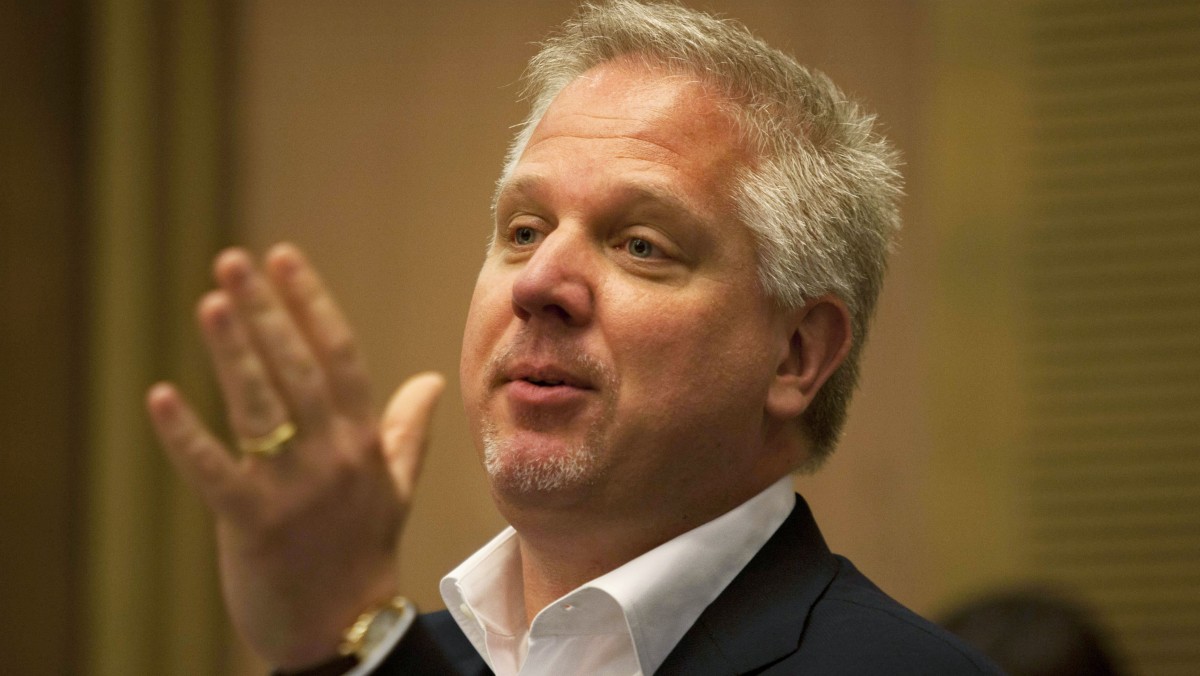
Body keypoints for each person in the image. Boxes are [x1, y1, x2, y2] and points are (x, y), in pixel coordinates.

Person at [146, 1, 1001, 674]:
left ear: (795, 355)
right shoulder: (416, 656)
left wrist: (349, 651)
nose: (538, 284)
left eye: (640, 245)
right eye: (523, 230)